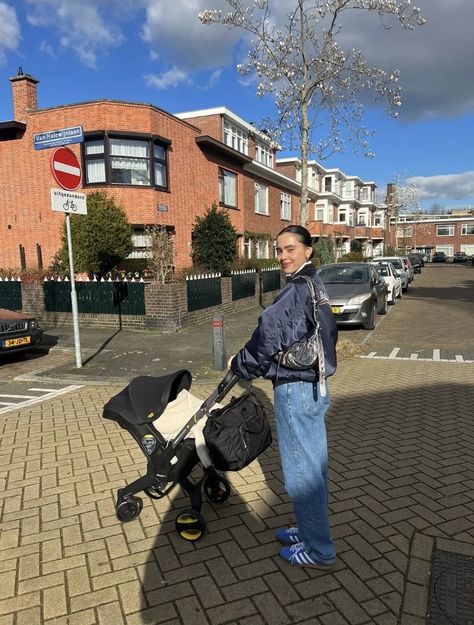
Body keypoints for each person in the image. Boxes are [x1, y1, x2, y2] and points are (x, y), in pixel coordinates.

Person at [229, 225, 338, 568]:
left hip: (295, 387)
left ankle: (319, 549)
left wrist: (241, 364)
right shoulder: (315, 285)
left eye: (290, 249)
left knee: (301, 473)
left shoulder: (296, 290)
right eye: (279, 251)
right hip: (315, 384)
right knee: (313, 467)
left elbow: (268, 334)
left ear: (308, 250)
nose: (283, 257)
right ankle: (308, 531)